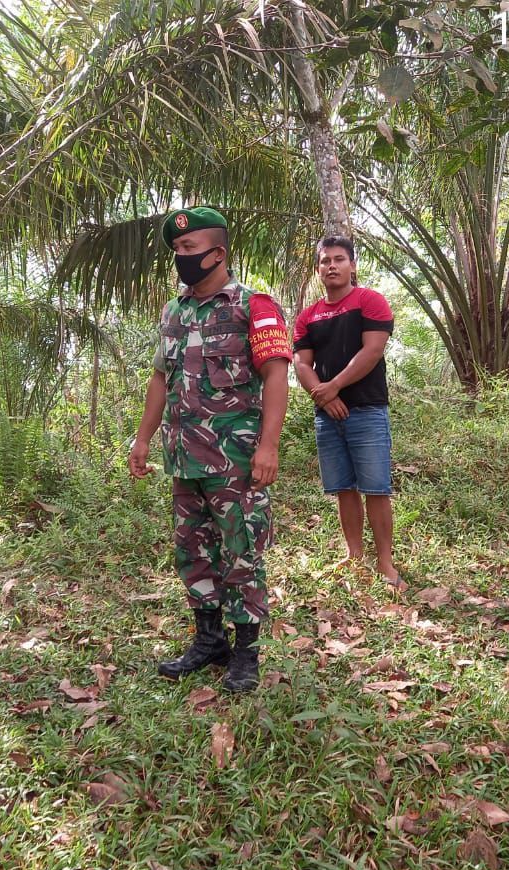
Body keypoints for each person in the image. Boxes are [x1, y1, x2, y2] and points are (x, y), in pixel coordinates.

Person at [128, 207, 291, 693]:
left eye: (190, 249)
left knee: (241, 550)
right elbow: (161, 378)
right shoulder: (174, 311)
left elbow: (276, 375)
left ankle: (246, 652)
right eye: (176, 250)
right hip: (183, 457)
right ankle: (208, 640)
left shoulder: (253, 305)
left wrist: (269, 447)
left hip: (235, 458)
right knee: (193, 550)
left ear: (218, 253)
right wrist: (141, 439)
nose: (181, 258)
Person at [292, 237, 401, 590]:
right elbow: (301, 362)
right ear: (318, 269)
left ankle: (385, 562)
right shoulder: (308, 316)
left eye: (340, 259)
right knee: (343, 489)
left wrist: (333, 386)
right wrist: (322, 398)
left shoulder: (370, 301)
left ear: (353, 265)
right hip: (328, 416)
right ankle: (355, 557)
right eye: (325, 261)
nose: (332, 266)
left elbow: (372, 351)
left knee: (376, 488)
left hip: (367, 409)